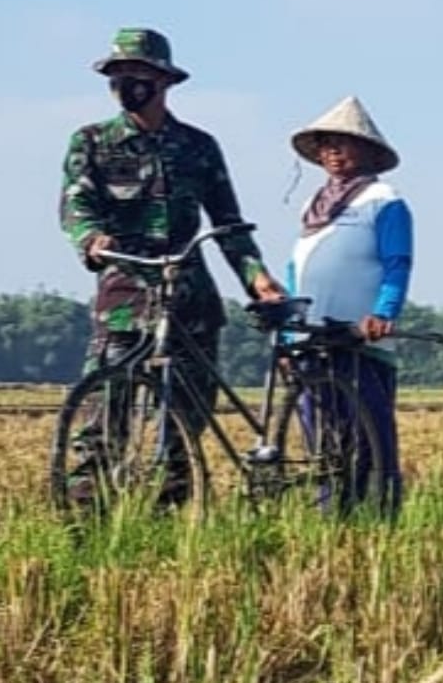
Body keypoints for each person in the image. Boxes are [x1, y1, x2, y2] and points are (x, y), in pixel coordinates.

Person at [58, 27, 284, 504]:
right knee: (101, 422)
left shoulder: (198, 147)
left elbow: (228, 224)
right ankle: (84, 529)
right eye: (117, 76)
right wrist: (91, 239)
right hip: (124, 297)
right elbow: (76, 205)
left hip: (189, 299)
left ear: (163, 81)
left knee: (182, 426)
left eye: (136, 75)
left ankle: (168, 526)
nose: (126, 85)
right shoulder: (93, 142)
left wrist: (257, 279)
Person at [287, 96, 413, 516]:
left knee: (368, 439)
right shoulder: (311, 206)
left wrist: (384, 312)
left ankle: (378, 519)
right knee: (322, 442)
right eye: (326, 144)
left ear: (367, 151)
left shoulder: (384, 199)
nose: (333, 151)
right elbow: (295, 268)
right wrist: (289, 330)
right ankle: (330, 523)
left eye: (344, 142)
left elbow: (397, 263)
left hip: (361, 341)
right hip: (313, 339)